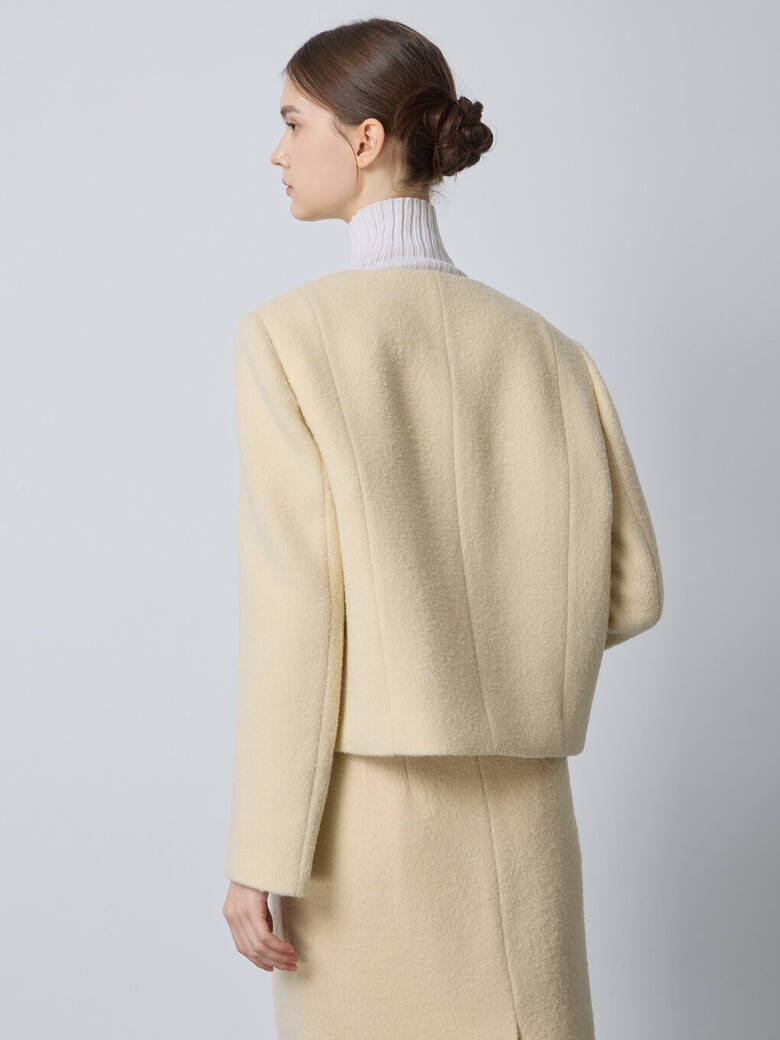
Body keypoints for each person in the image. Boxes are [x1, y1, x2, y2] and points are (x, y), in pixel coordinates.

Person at [221, 17, 663, 1040]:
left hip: (363, 827)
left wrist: (261, 852)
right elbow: (634, 589)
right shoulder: (552, 351)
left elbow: (297, 615)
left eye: (293, 122)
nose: (278, 151)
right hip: (528, 816)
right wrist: (510, 650)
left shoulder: (288, 340)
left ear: (365, 138)